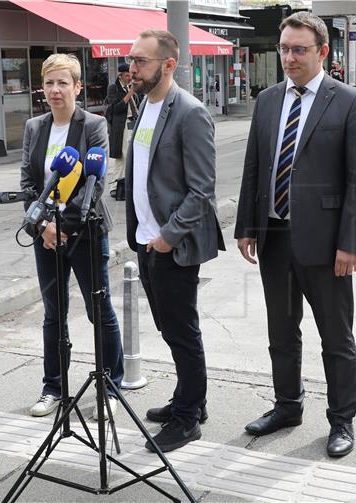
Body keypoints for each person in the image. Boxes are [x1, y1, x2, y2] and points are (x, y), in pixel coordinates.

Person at [234, 11, 356, 458]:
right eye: (284, 48)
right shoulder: (269, 100)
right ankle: (287, 406)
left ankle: (341, 421)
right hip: (273, 236)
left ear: (323, 52)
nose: (289, 57)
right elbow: (255, 165)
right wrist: (246, 227)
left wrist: (350, 243)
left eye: (299, 49)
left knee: (335, 336)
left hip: (326, 243)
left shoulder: (348, 101)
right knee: (281, 332)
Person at [124, 29, 225, 453]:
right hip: (146, 240)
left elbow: (202, 189)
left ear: (168, 64)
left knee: (182, 331)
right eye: (130, 60)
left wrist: (167, 236)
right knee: (169, 327)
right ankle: (190, 398)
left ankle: (187, 419)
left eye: (140, 61)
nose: (131, 68)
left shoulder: (190, 112)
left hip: (171, 244)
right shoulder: (143, 106)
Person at [20, 53, 124, 420]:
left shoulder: (93, 125)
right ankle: (53, 388)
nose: (55, 90)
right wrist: (43, 226)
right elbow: (28, 184)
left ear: (78, 87)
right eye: (49, 83)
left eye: (63, 82)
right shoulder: (35, 127)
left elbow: (94, 185)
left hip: (86, 232)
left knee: (101, 311)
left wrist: (66, 226)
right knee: (54, 314)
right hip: (46, 235)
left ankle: (110, 386)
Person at [105, 63, 141, 201]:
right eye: (127, 75)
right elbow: (116, 108)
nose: (129, 78)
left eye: (130, 75)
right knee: (122, 155)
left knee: (130, 154)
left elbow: (136, 104)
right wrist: (130, 93)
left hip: (133, 122)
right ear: (120, 75)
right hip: (121, 125)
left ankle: (126, 183)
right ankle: (116, 186)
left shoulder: (128, 87)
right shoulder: (113, 88)